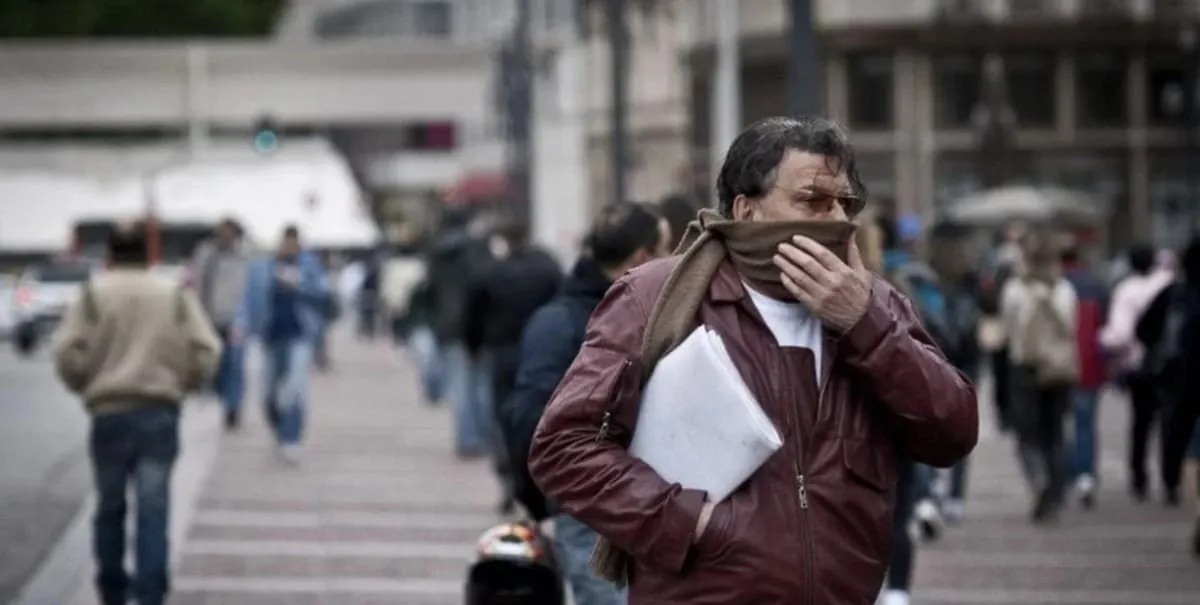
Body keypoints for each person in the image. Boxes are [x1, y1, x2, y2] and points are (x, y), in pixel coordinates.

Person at [528, 116, 978, 604]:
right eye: (812, 200)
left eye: (845, 204)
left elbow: (952, 431)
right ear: (746, 210)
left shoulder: (880, 306)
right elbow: (562, 446)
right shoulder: (655, 297)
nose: (834, 219)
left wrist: (864, 325)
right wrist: (690, 522)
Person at [502, 201, 667, 605]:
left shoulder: (648, 315)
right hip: (593, 505)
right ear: (644, 257)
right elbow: (528, 421)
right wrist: (544, 500)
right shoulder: (565, 322)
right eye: (667, 249)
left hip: (650, 504)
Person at [52, 223, 221, 605]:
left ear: (110, 253)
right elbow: (207, 350)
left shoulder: (94, 294)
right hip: (159, 409)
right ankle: (151, 592)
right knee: (154, 506)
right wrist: (185, 384)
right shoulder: (172, 294)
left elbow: (65, 352)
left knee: (110, 506)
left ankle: (111, 588)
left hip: (109, 411)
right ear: (149, 252)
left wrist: (84, 384)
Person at [465, 219, 563, 514]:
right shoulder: (547, 269)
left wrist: (474, 346)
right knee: (539, 415)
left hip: (502, 353)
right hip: (540, 351)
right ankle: (535, 476)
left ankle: (509, 473)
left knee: (502, 418)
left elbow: (473, 314)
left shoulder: (493, 272)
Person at [1000, 230, 1079, 522]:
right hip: (1058, 370)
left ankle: (1039, 480)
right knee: (1056, 434)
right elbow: (1070, 329)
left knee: (1026, 437)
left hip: (1026, 368)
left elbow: (1008, 329)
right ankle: (1056, 494)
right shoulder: (1065, 290)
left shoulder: (1014, 289)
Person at [238, 225, 329, 465]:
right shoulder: (262, 267)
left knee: (294, 389)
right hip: (270, 336)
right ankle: (279, 430)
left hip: (300, 334)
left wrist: (298, 284)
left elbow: (323, 293)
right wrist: (243, 324)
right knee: (268, 393)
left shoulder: (308, 267)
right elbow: (248, 299)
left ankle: (292, 438)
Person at [1100, 244, 1174, 501]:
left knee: (1141, 423)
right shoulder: (1168, 284)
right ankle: (1170, 479)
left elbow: (1119, 334)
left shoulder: (1126, 290)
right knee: (1169, 423)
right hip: (1171, 366)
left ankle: (1139, 477)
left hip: (1138, 365)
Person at [190, 217, 253, 430]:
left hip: (235, 318)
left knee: (235, 365)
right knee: (213, 362)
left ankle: (233, 408)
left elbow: (249, 287)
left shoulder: (245, 255)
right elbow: (197, 282)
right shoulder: (206, 252)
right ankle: (214, 393)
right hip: (209, 316)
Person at [1060, 245, 1109, 508]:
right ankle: (1086, 475)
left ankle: (1067, 473)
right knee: (1086, 424)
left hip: (1058, 367)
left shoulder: (1055, 286)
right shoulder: (1096, 285)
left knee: (1059, 424)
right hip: (1090, 365)